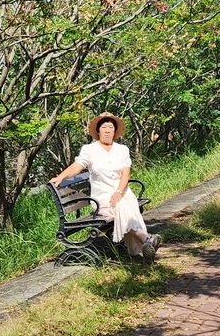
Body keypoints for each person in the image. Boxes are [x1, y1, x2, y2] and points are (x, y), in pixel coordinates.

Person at [49, 112, 163, 263]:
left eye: (111, 127)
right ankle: (147, 240)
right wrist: (60, 177)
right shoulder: (89, 150)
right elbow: (77, 166)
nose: (107, 130)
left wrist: (119, 192)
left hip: (123, 193)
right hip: (101, 199)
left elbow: (125, 174)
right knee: (123, 208)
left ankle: (146, 243)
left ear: (115, 131)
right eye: (104, 127)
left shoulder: (122, 150)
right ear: (98, 131)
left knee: (124, 204)